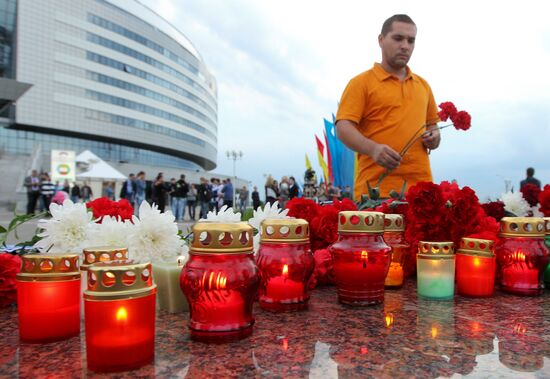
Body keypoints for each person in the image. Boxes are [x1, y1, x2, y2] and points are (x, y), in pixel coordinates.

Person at [336, 14, 440, 200]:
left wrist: (434, 136)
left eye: (411, 40)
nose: (405, 46)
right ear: (381, 40)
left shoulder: (423, 86)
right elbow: (343, 128)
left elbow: (433, 126)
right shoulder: (361, 83)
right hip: (376, 193)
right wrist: (373, 149)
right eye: (398, 38)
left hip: (421, 193)